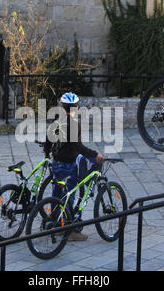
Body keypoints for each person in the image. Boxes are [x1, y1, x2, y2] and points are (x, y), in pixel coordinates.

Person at [43, 92, 105, 241]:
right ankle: (71, 231)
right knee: (69, 196)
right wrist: (95, 154)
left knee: (57, 194)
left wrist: (47, 155)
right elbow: (77, 147)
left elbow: (48, 141)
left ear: (62, 106)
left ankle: (57, 225)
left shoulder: (56, 121)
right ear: (76, 107)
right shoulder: (73, 125)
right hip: (68, 165)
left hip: (56, 163)